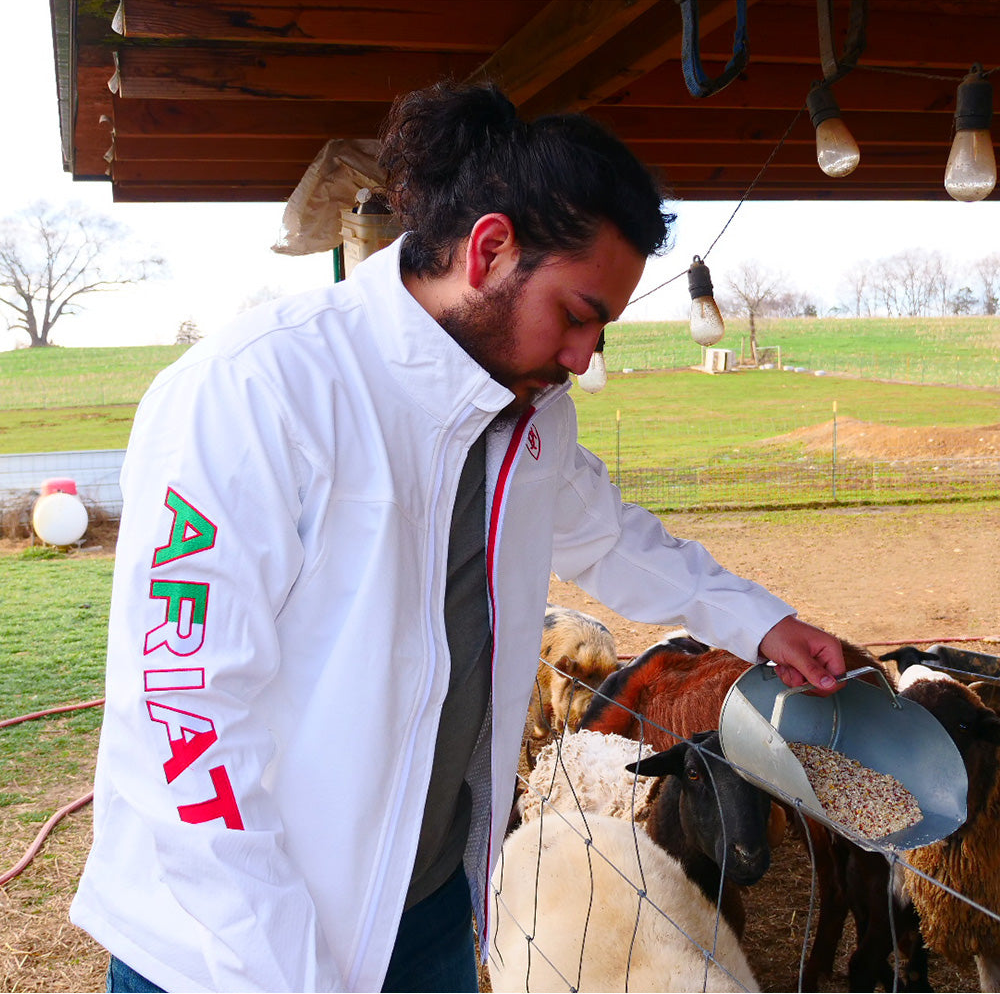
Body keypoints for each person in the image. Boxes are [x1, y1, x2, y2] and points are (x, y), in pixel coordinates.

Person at [71, 81, 845, 993]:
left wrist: (762, 624)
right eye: (577, 314)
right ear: (489, 249)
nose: (583, 358)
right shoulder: (253, 394)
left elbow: (610, 538)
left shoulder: (527, 413)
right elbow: (184, 713)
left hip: (426, 913)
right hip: (228, 946)